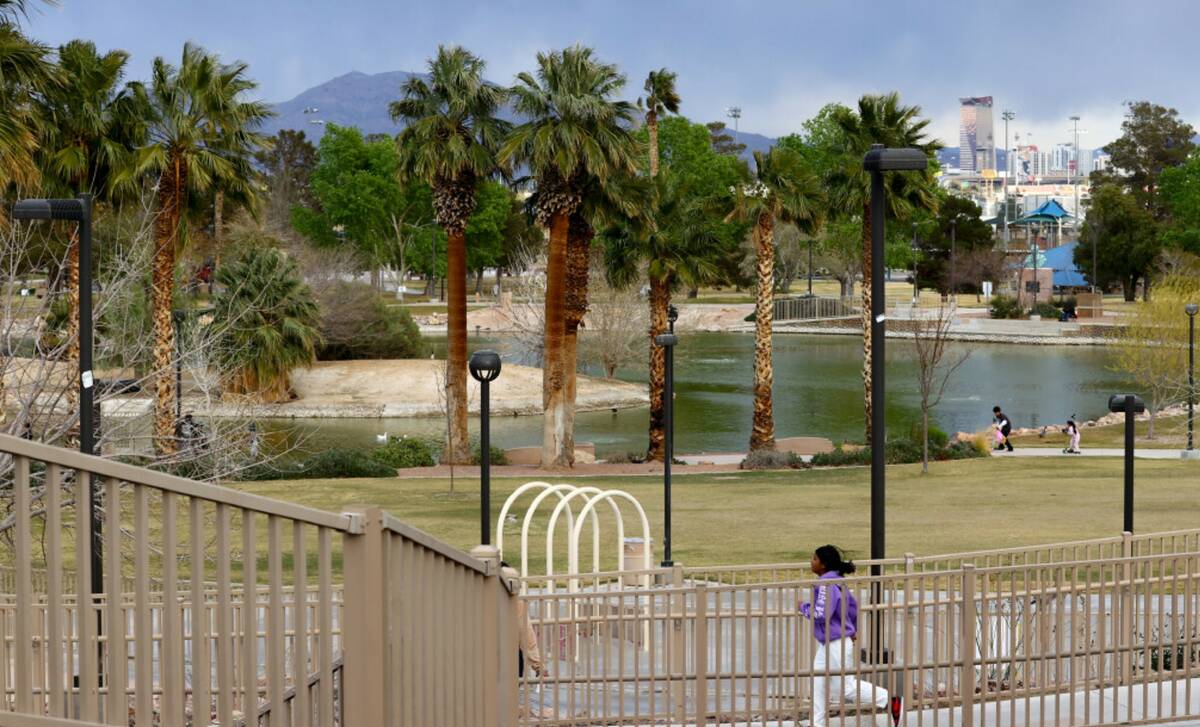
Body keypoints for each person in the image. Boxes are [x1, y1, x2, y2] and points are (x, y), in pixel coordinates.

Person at [799, 545, 892, 727]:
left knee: (846, 688)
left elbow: (822, 614)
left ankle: (889, 699)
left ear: (823, 565)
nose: (811, 561)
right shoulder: (837, 581)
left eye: (814, 559)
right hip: (830, 642)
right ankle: (816, 723)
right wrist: (853, 629)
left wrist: (803, 608)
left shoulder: (825, 583)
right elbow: (852, 606)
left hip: (836, 642)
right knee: (818, 679)